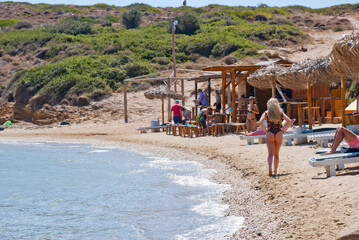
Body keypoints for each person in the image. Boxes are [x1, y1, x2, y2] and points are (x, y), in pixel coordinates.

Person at [258, 98, 291, 177]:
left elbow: (260, 122)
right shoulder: (280, 113)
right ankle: (275, 171)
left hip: (270, 132)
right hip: (278, 132)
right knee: (276, 154)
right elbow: (289, 121)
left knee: (270, 154)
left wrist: (265, 129)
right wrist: (284, 129)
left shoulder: (266, 113)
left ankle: (270, 169)